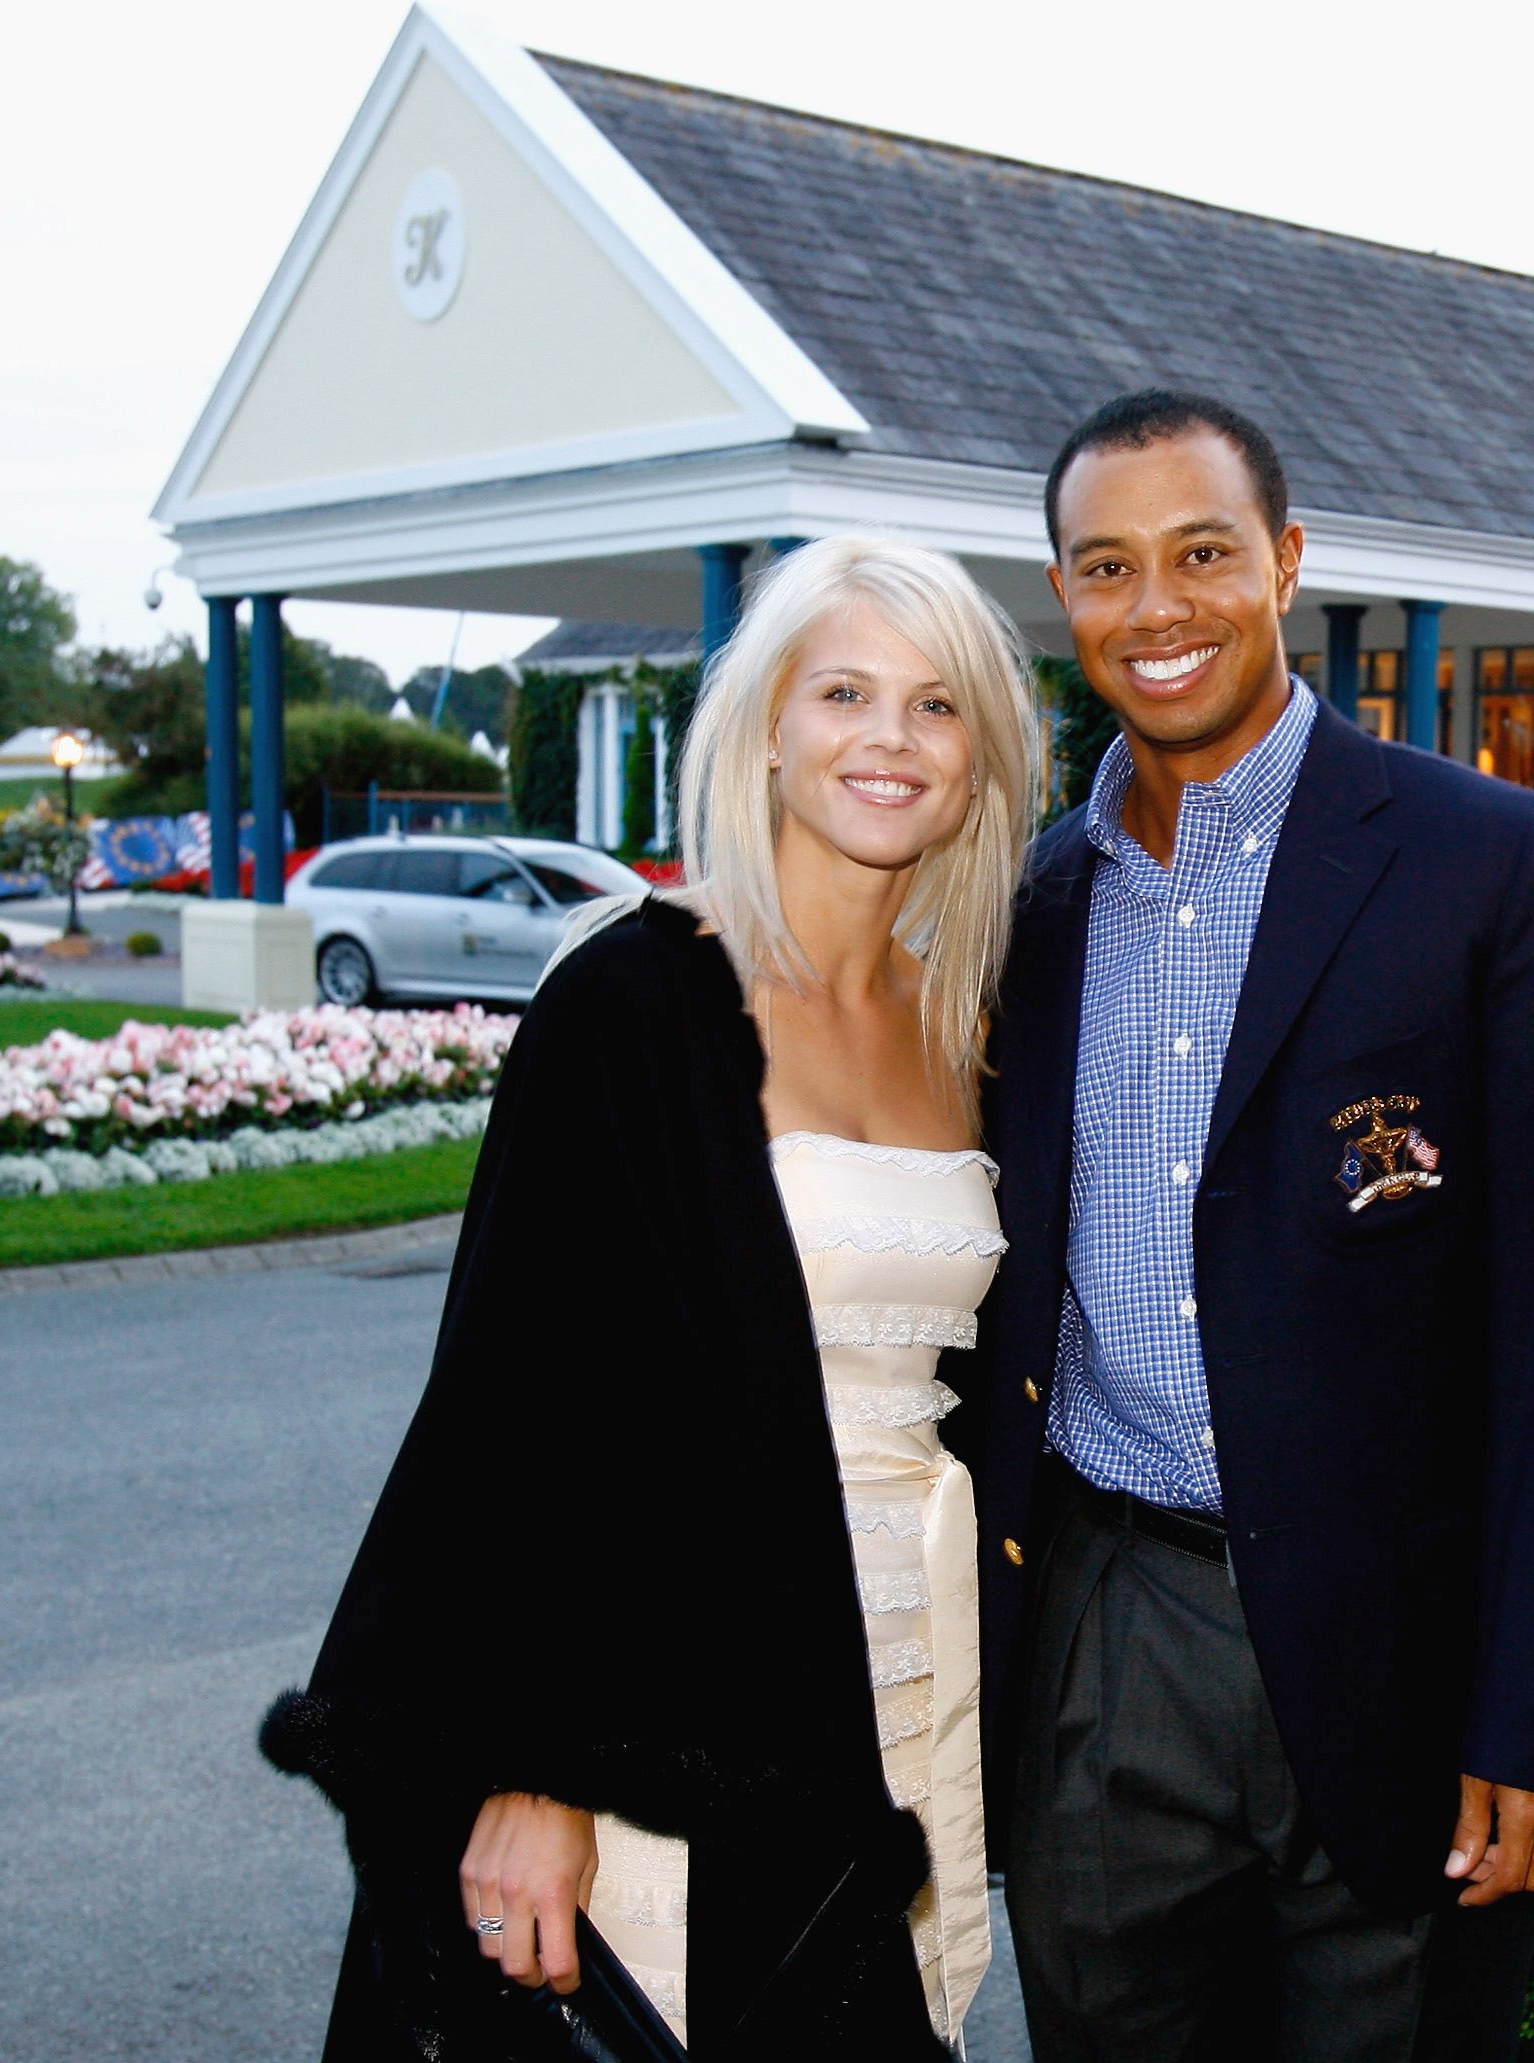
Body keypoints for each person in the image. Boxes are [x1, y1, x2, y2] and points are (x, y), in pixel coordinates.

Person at [260, 534, 1045, 2059]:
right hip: (674, 1679)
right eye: (845, 692)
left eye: (938, 706)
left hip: (904, 1660)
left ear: (985, 760)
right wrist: (532, 1776)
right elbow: (517, 1415)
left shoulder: (966, 1025)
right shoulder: (631, 1001)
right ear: (766, 727)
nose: (890, 738)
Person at [963, 390, 1534, 2061]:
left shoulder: (1488, 862)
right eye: (1107, 567)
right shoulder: (1027, 908)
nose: (1160, 609)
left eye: (1203, 554)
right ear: (1064, 596)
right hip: (1106, 1634)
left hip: (1400, 1661)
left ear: (1284, 561)